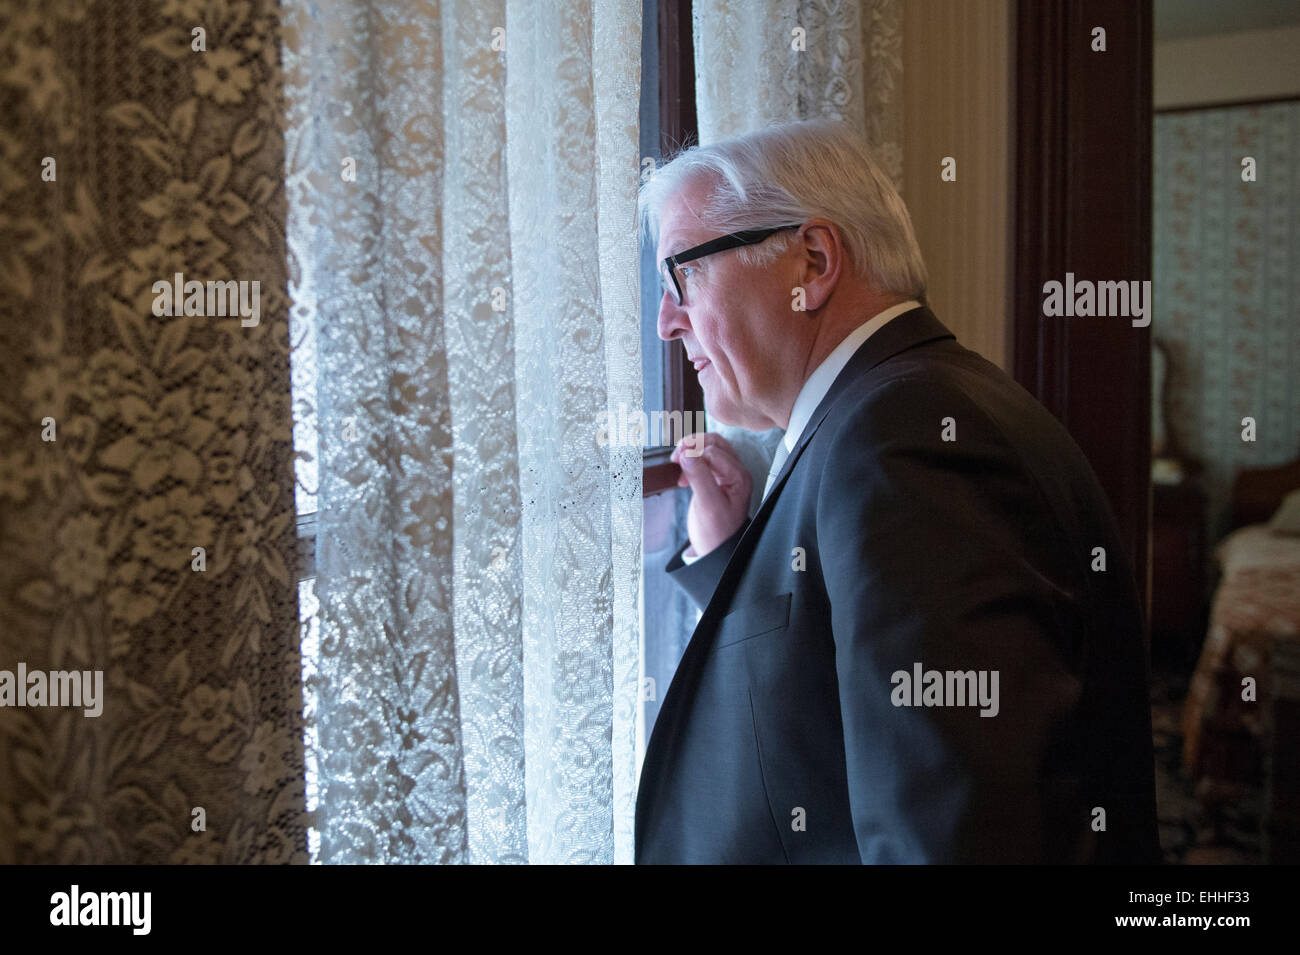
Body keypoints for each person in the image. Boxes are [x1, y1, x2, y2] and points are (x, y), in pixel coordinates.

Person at [634, 117, 1161, 864]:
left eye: (681, 273)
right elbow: (831, 693)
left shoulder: (904, 437)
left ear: (812, 262)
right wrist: (731, 557)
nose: (664, 321)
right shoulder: (888, 413)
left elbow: (956, 838)